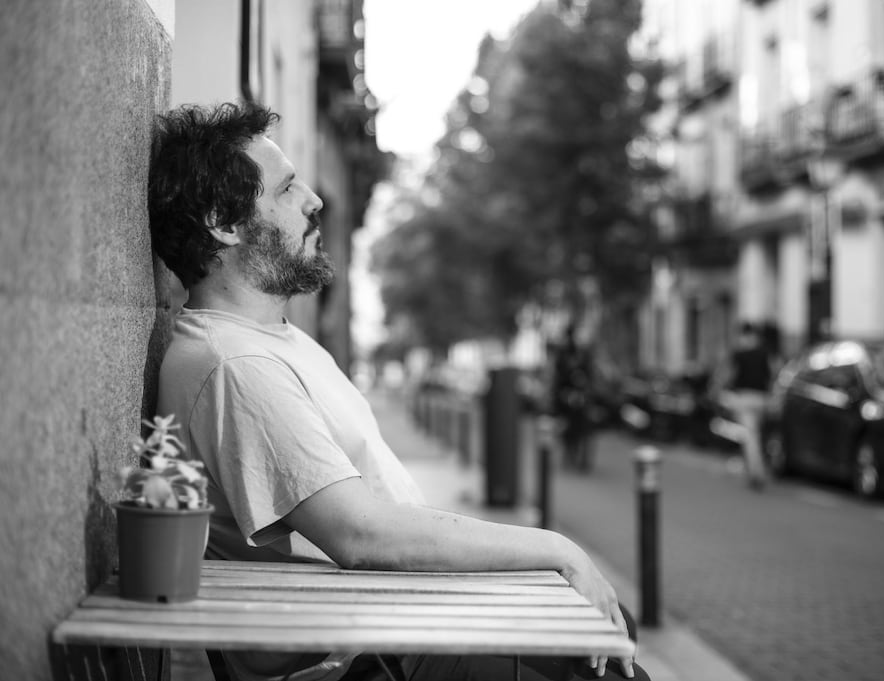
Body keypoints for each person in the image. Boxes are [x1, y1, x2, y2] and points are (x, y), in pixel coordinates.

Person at [148, 103, 648, 681]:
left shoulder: (269, 340)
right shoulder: (235, 365)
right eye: (286, 189)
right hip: (367, 657)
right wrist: (559, 549)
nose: (314, 199)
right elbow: (359, 534)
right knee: (609, 663)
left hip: (398, 621)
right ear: (223, 222)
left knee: (615, 631)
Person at [715, 321, 773, 491]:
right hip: (762, 399)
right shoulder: (765, 353)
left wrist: (719, 389)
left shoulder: (739, 354)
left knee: (750, 437)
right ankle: (754, 469)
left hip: (744, 398)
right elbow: (772, 374)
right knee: (756, 435)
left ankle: (756, 473)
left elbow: (727, 375)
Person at [550, 322, 595, 472]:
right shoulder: (564, 354)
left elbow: (589, 374)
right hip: (568, 396)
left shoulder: (582, 353)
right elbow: (559, 379)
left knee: (582, 427)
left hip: (579, 396)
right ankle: (570, 455)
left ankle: (579, 457)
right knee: (569, 427)